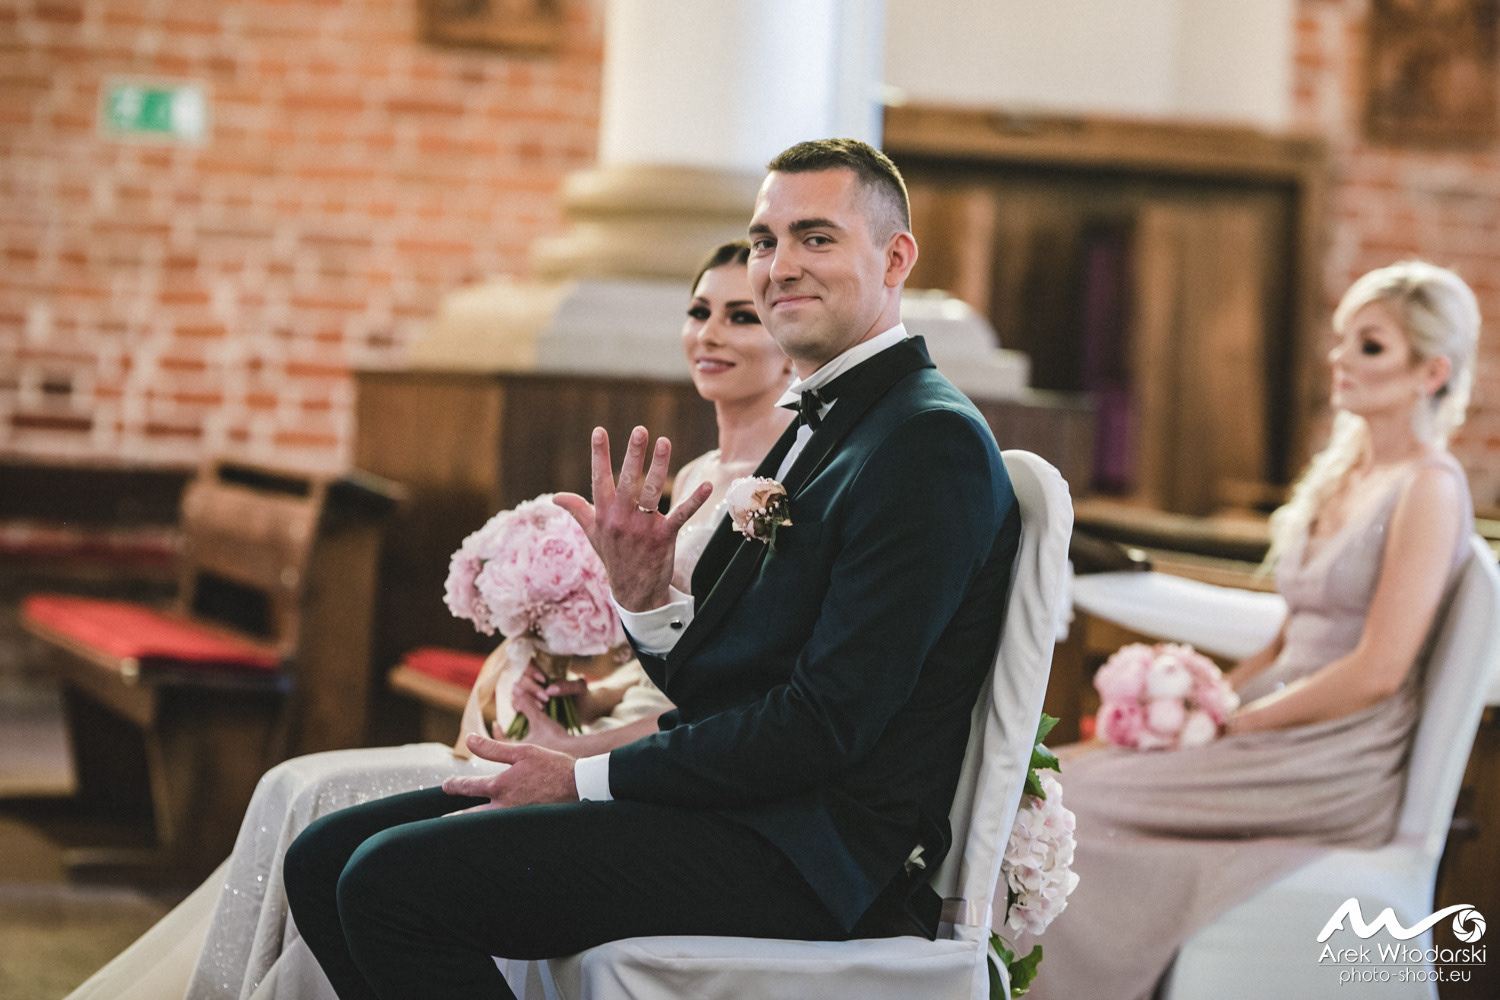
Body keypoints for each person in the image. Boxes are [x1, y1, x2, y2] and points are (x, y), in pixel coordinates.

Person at [280, 138, 1020, 1000]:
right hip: (742, 805)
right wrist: (642, 596)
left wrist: (582, 778)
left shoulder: (925, 441)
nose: (779, 265)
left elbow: (824, 725)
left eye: (815, 238)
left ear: (895, 259)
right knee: (321, 857)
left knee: (389, 886)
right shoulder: (823, 424)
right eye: (766, 240)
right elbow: (727, 679)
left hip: (810, 851)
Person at [62, 241, 795, 1000]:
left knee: (356, 846)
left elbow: (726, 686)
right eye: (699, 311)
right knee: (308, 826)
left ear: (785, 342)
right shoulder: (693, 474)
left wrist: (576, 750)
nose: (711, 333)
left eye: (741, 317)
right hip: (602, 723)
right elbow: (655, 641)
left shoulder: (772, 495)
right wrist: (560, 681)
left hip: (657, 754)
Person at [1024, 260, 1479, 1000]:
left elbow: (1379, 671)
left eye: (1369, 346)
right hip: (1270, 718)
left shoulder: (1430, 487)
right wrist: (1204, 704)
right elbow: (1283, 640)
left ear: (1431, 372)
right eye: (1343, 339)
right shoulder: (1345, 471)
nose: (1340, 358)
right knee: (1059, 772)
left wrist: (1238, 725)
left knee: (1066, 803)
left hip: (1334, 751)